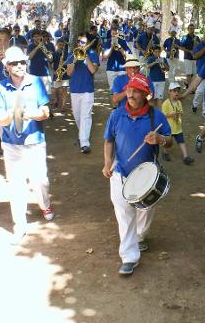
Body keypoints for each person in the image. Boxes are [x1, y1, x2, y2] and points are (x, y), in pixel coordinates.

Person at [102, 74, 173, 275]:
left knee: (145, 212)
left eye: (136, 91)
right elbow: (108, 141)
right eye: (129, 90)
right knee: (124, 215)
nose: (131, 95)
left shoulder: (156, 116)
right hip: (120, 172)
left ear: (146, 95)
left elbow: (170, 141)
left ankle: (140, 236)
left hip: (147, 176)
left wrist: (159, 139)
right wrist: (107, 162)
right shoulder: (116, 115)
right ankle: (129, 257)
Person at [0, 46, 54, 243]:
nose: (19, 66)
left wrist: (31, 114)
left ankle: (44, 204)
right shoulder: (0, 87)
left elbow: (45, 112)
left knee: (40, 181)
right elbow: (0, 119)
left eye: (21, 62)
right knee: (16, 185)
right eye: (14, 63)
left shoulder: (35, 82)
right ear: (7, 66)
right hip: (11, 144)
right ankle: (19, 224)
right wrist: (12, 114)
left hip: (34, 140)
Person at [66, 34, 100, 154]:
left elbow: (93, 70)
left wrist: (85, 57)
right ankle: (82, 136)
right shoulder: (72, 53)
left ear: (88, 43)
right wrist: (75, 59)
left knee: (85, 116)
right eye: (80, 41)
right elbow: (69, 73)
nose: (81, 43)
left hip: (87, 90)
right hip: (75, 90)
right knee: (77, 116)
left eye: (84, 42)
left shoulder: (93, 54)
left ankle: (85, 143)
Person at [161, 82, 193, 165]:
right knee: (167, 142)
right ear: (169, 92)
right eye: (174, 91)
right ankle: (165, 152)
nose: (176, 93)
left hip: (178, 127)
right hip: (169, 127)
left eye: (177, 91)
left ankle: (186, 157)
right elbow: (163, 116)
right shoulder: (166, 103)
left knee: (181, 141)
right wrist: (171, 114)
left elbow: (181, 112)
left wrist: (178, 113)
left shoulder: (179, 102)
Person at [191, 30, 205, 113]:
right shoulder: (199, 46)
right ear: (203, 37)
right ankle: (195, 104)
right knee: (200, 91)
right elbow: (195, 56)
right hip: (201, 72)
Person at [27, 29, 55, 95]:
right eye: (35, 36)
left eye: (38, 36)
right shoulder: (30, 46)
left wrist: (43, 48)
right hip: (34, 73)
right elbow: (29, 57)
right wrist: (37, 47)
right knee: (35, 94)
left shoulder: (46, 46)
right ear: (33, 37)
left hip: (45, 73)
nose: (37, 38)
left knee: (46, 95)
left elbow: (50, 59)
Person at [51, 37, 70, 113]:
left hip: (64, 74)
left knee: (64, 90)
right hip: (56, 74)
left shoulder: (66, 53)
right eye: (59, 45)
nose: (61, 46)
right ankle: (57, 99)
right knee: (56, 90)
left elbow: (70, 63)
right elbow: (50, 63)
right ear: (56, 45)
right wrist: (53, 71)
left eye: (62, 45)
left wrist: (66, 63)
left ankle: (63, 106)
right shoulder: (54, 54)